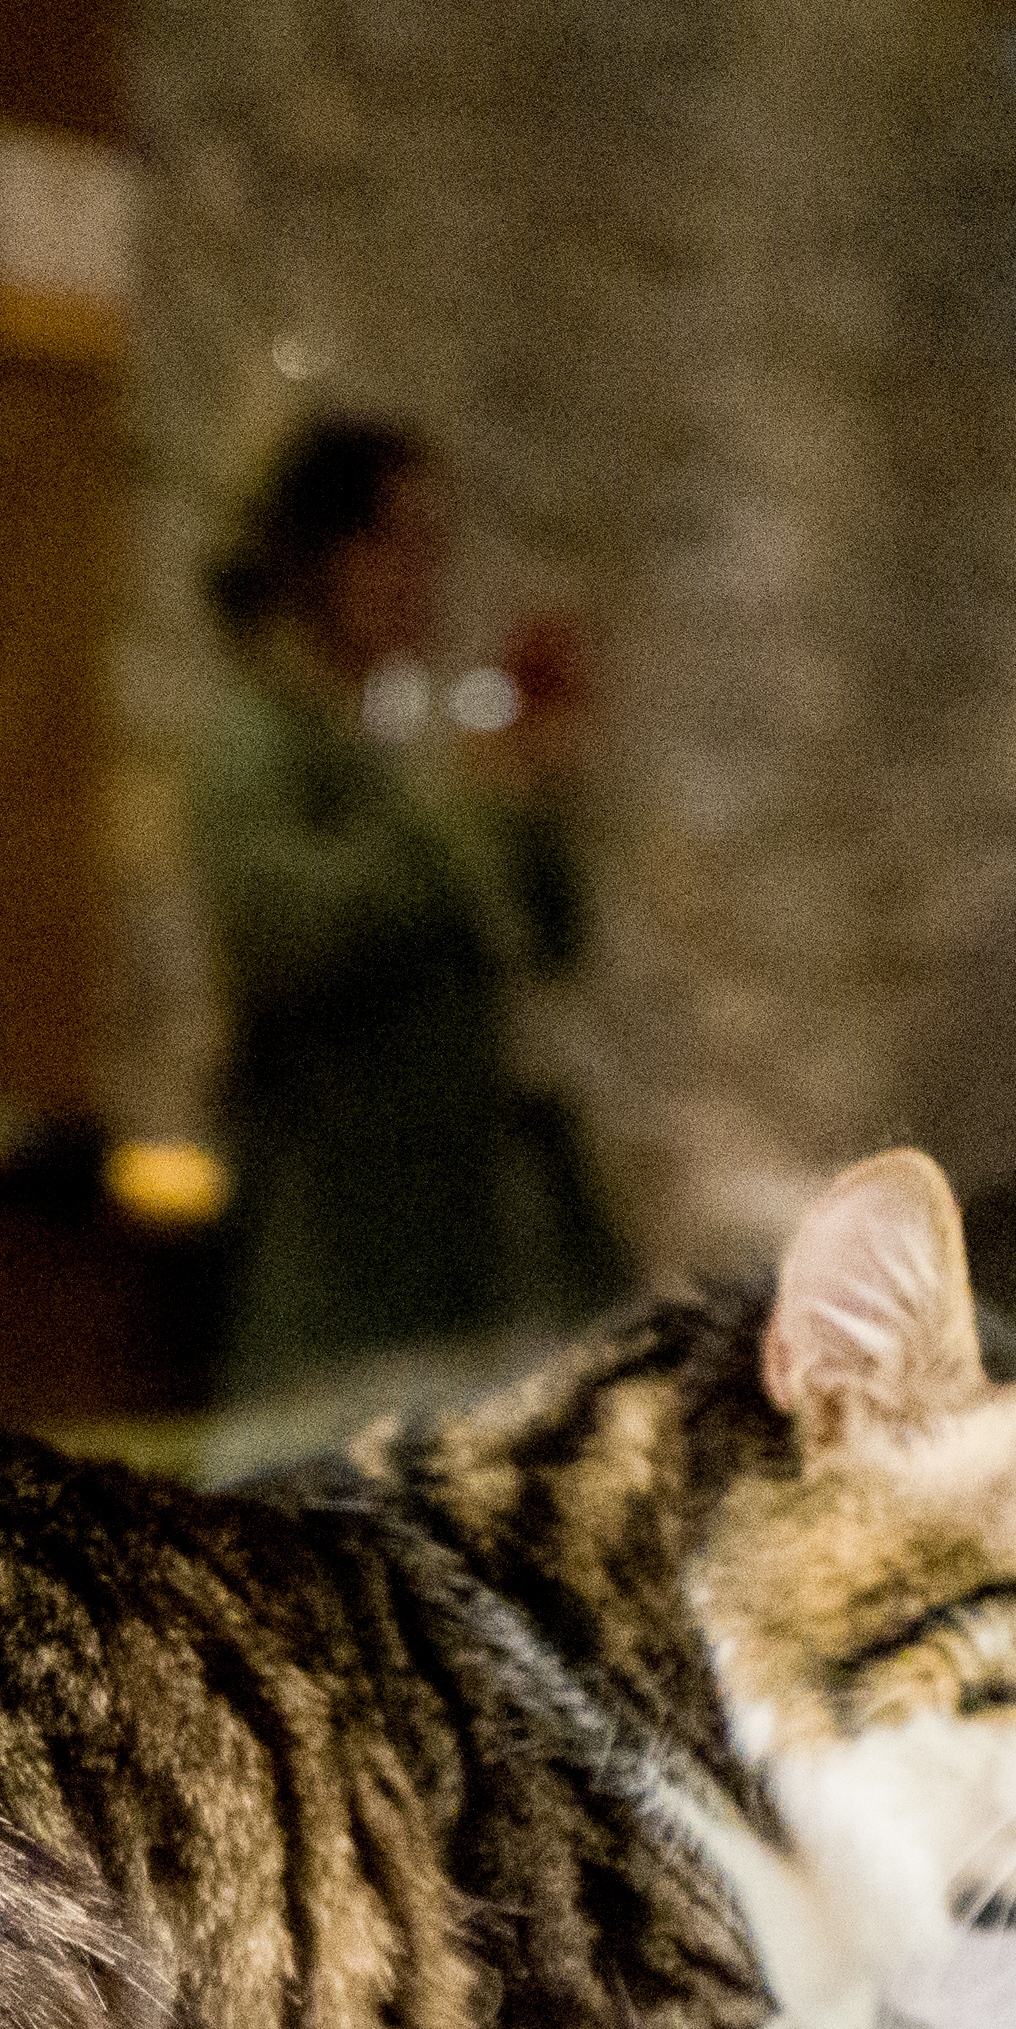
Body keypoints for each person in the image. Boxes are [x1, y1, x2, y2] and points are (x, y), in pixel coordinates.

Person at [186, 418, 625, 1395]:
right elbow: (286, 939)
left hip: (442, 1257)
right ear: (323, 553)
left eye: (434, 547)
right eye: (396, 542)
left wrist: (541, 795)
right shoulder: (259, 740)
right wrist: (465, 810)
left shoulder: (401, 743)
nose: (420, 574)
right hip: (335, 1252)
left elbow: (550, 940)